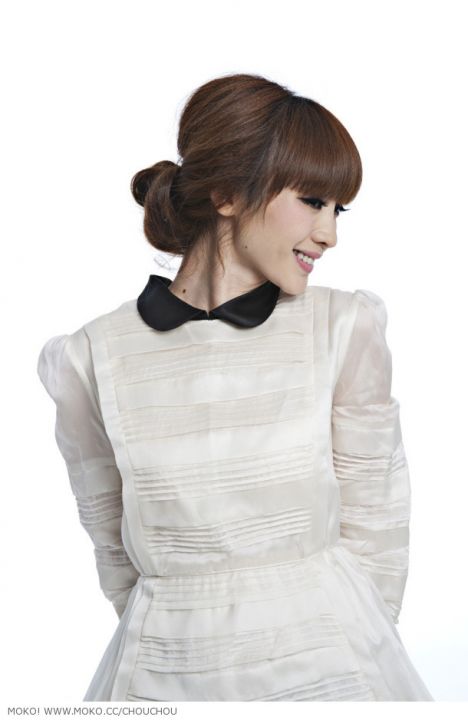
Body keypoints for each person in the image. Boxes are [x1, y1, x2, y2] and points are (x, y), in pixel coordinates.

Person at [37, 73, 434, 702]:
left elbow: (378, 526)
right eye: (312, 201)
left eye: (338, 210)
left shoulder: (342, 327)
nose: (329, 234)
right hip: (163, 672)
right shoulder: (92, 357)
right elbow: (113, 550)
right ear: (225, 194)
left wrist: (351, 640)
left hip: (331, 665)